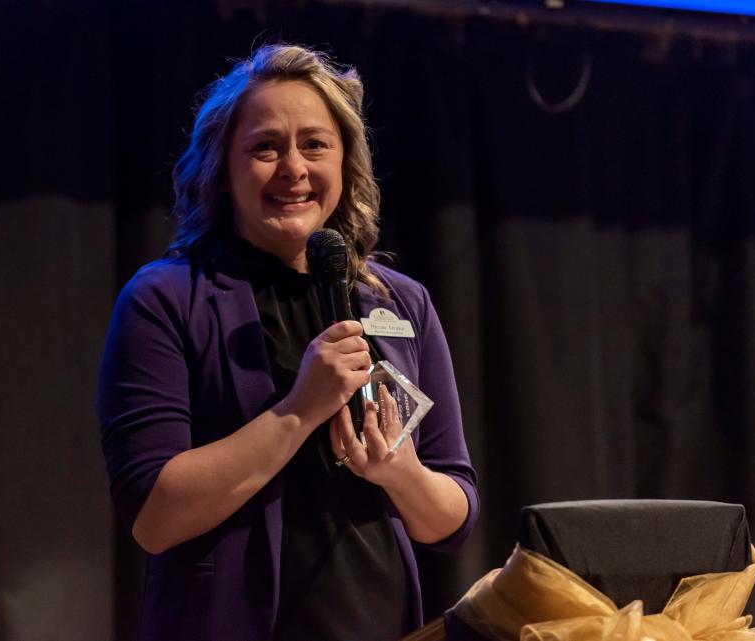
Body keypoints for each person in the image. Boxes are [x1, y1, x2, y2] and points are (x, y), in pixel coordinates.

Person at [96, 43, 479, 641]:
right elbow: (154, 515)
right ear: (223, 167)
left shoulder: (401, 302)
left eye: (315, 144)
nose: (293, 168)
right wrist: (299, 410)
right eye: (265, 147)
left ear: (345, 161)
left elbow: (453, 517)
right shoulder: (165, 299)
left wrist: (398, 472)